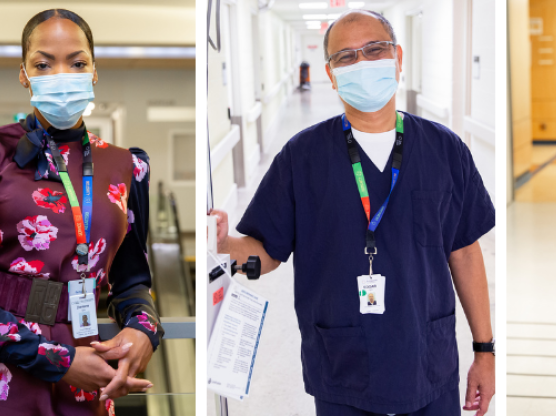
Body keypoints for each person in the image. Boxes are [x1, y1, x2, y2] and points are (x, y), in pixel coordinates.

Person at [212, 9, 495, 416]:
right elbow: (266, 251)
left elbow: (465, 251)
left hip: (428, 362)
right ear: (331, 74)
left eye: (373, 50)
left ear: (398, 58)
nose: (361, 63)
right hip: (342, 366)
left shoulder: (445, 150)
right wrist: (222, 244)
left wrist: (485, 350)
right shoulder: (302, 157)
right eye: (345, 57)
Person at [0, 10, 164, 415]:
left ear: (94, 72)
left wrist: (143, 329)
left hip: (87, 362)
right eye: (44, 64)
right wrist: (56, 360)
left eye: (77, 63)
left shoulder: (126, 166)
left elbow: (130, 281)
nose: (61, 74)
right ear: (24, 74)